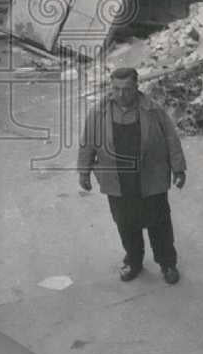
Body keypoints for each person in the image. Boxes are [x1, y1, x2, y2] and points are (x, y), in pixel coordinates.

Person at [78, 67, 186, 284]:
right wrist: (84, 172)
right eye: (116, 89)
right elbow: (88, 143)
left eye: (126, 89)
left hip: (150, 176)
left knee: (159, 223)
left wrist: (178, 169)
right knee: (125, 223)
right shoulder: (98, 113)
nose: (121, 94)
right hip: (118, 179)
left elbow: (171, 139)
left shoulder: (153, 110)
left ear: (136, 86)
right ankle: (134, 261)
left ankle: (167, 264)